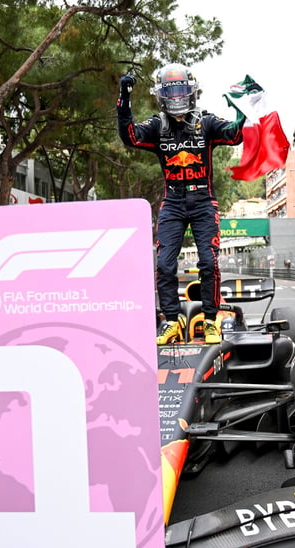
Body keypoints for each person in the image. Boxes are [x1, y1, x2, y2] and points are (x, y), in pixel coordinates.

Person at [117, 63, 243, 345]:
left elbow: (235, 135)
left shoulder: (206, 122)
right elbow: (130, 136)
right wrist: (123, 100)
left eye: (181, 90)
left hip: (203, 202)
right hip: (172, 201)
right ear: (161, 95)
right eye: (170, 91)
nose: (176, 96)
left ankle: (211, 321)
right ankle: (171, 321)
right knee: (163, 264)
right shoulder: (155, 126)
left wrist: (240, 109)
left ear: (192, 91)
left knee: (208, 262)